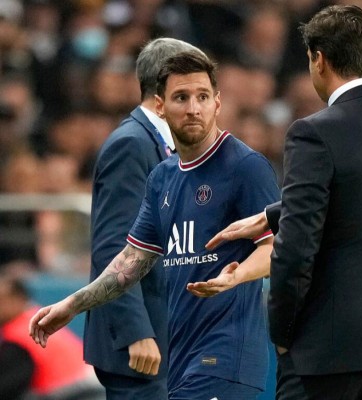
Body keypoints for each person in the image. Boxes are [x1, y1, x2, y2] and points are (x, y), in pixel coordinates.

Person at [206, 5, 362, 399]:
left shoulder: (313, 132)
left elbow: (296, 249)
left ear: (318, 60)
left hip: (333, 351)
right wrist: (274, 214)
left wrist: (283, 333)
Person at [29, 52, 280, 400]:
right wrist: (71, 305)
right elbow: (130, 261)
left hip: (225, 356)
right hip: (179, 357)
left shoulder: (246, 167)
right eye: (181, 97)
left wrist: (234, 277)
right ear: (160, 106)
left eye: (202, 97)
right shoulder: (162, 177)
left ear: (218, 103)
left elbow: (273, 248)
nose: (193, 107)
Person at [84, 38, 206, 400]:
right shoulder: (132, 146)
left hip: (172, 340)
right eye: (190, 93)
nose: (200, 104)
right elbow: (113, 246)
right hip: (143, 346)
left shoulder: (169, 145)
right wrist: (136, 331)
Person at [0, 274, 105, 400]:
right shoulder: (35, 320)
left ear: (19, 299)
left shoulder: (22, 334)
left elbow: (8, 387)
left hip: (77, 392)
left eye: (2, 300)